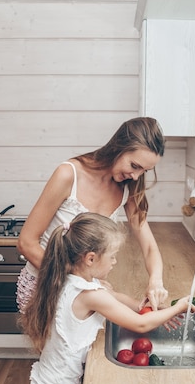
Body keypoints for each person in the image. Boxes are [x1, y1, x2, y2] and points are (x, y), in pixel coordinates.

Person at [19, 213, 195, 384]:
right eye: (112, 256)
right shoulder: (88, 295)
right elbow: (140, 325)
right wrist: (180, 306)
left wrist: (151, 308)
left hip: (55, 377)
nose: (114, 262)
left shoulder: (76, 278)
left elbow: (115, 297)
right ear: (91, 258)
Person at [17, 117, 168, 313]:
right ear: (118, 147)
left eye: (145, 171)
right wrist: (81, 279)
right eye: (134, 166)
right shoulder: (68, 174)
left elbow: (149, 247)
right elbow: (26, 243)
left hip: (84, 291)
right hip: (44, 285)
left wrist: (156, 281)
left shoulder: (128, 188)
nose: (137, 176)